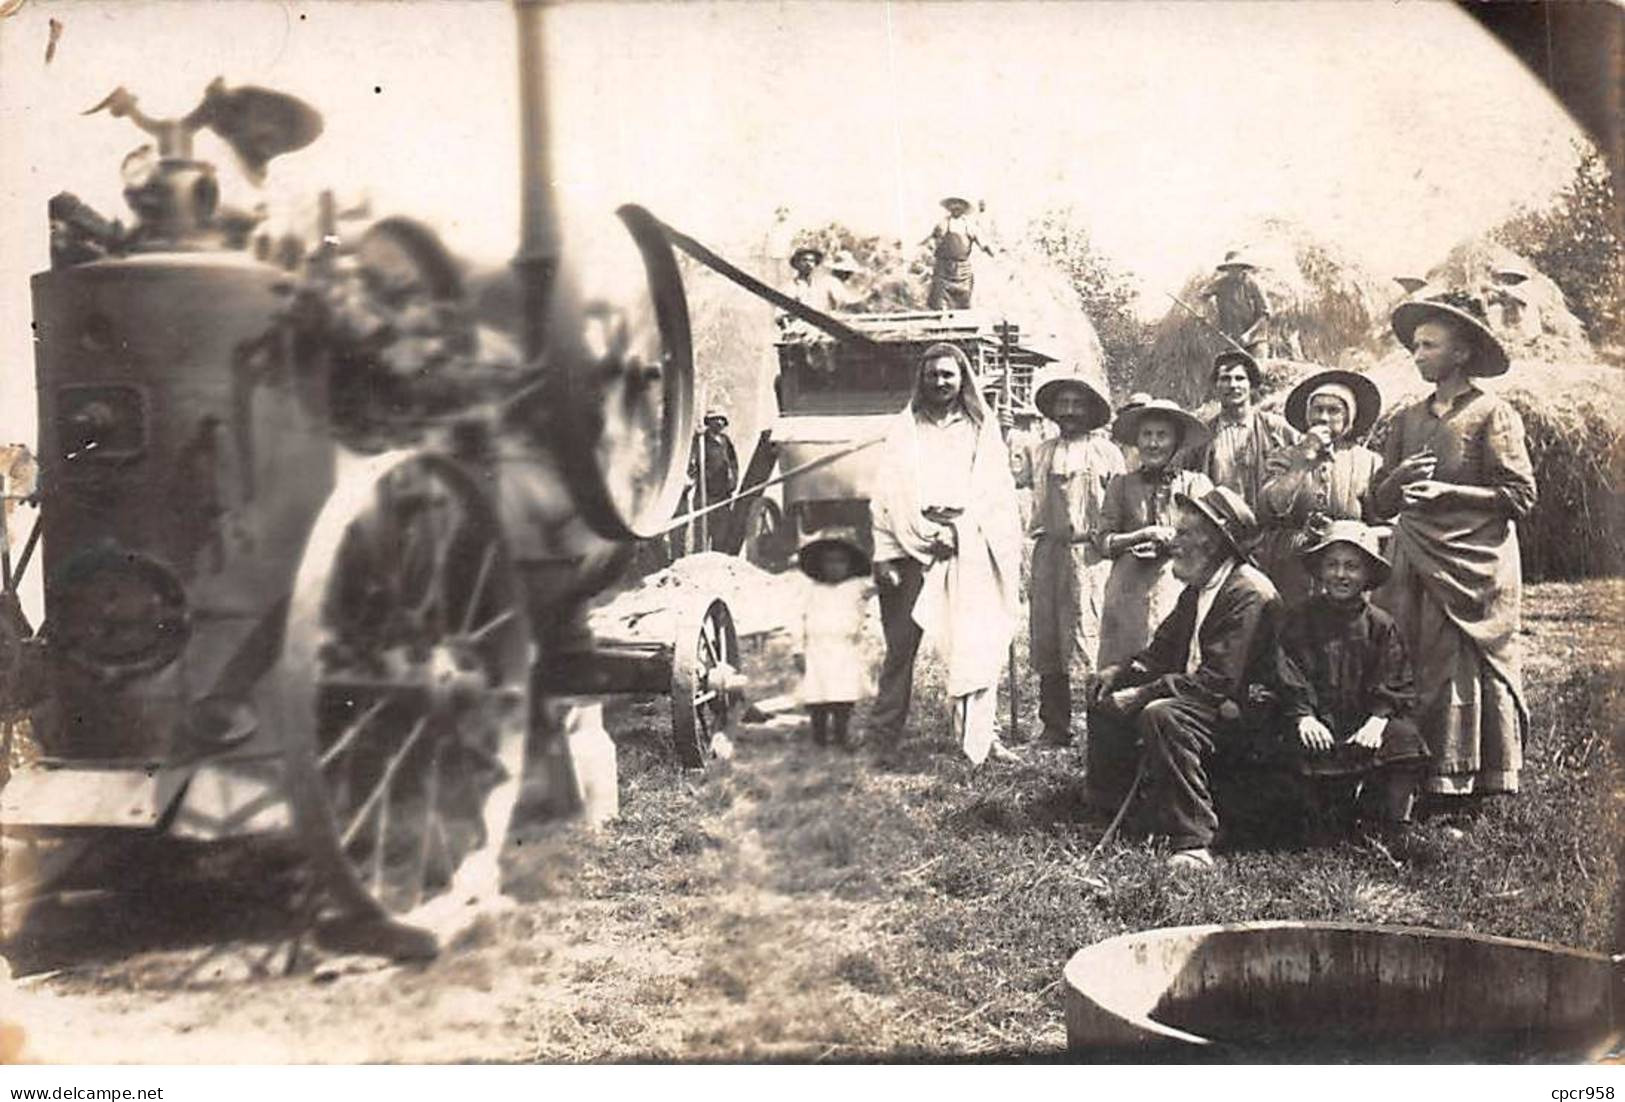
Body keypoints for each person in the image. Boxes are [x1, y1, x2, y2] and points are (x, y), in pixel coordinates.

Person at [1370, 291, 1536, 803]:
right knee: (1411, 659)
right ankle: (1408, 774)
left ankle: (1467, 780)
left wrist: (1448, 492)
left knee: (1457, 665)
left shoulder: (1492, 413)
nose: (1417, 355)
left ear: (1461, 354)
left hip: (1473, 562)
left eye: (1428, 346)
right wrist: (1397, 477)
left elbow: (1520, 495)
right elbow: (1378, 504)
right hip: (1414, 558)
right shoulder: (1405, 419)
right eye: (1415, 347)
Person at [1084, 486, 1303, 869]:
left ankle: (1194, 839)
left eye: (1184, 535)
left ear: (1215, 542)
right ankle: (1115, 808)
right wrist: (1121, 672)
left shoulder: (1249, 593)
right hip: (1209, 700)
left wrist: (1141, 695)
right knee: (1106, 690)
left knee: (1163, 714)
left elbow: (1218, 681)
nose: (1174, 543)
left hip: (1251, 715)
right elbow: (1161, 651)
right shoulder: (1199, 589)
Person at [869, 342, 1023, 765]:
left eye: (948, 375)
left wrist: (958, 533)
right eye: (932, 374)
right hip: (909, 542)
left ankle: (980, 737)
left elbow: (995, 493)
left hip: (965, 543)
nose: (940, 382)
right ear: (921, 379)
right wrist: (884, 554)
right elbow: (885, 495)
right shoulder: (905, 430)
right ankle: (883, 739)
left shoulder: (979, 428)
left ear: (962, 380)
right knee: (901, 646)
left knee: (974, 641)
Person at [1281, 520, 1430, 827]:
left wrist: (1377, 719)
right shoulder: (1299, 618)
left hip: (1362, 725)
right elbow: (1288, 671)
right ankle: (1315, 816)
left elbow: (1395, 679)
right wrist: (1303, 716)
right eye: (1332, 565)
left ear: (1367, 575)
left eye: (1352, 566)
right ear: (1320, 571)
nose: (1340, 575)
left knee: (1405, 740)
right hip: (1316, 725)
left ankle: (1388, 820)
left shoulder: (1380, 624)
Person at [1025, 365, 1123, 747]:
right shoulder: (1041, 452)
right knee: (1048, 634)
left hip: (1092, 554)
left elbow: (1119, 502)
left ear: (1089, 410)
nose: (1068, 411)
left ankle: (1097, 723)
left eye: (1076, 404)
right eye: (1062, 403)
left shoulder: (1107, 453)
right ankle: (1054, 725)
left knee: (1089, 635)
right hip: (1050, 552)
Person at [1096, 399, 1212, 671]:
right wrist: (1140, 535)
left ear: (1176, 441)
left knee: (1170, 663)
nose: (1153, 443)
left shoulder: (1196, 484)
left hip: (1177, 589)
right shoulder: (1121, 485)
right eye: (1146, 435)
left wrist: (1179, 540)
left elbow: (1211, 541)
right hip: (1127, 594)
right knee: (1122, 669)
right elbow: (1103, 542)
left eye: (1162, 435)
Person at [1257, 368, 1383, 604]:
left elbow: (1384, 523)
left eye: (1334, 410)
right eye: (1318, 409)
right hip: (1291, 567)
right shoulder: (1283, 457)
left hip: (1345, 571)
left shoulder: (1369, 462)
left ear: (1349, 418)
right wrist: (1303, 460)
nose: (1323, 417)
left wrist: (1348, 535)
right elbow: (1268, 508)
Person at [1187, 349, 1301, 512]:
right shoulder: (1203, 435)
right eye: (1225, 379)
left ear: (1251, 385)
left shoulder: (1276, 428)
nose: (1233, 385)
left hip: (1266, 524)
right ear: (1215, 386)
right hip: (1217, 523)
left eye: (1240, 378)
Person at [795, 528, 875, 751]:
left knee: (843, 695)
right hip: (817, 649)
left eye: (841, 561)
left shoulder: (856, 587)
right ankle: (819, 737)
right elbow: (797, 618)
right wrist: (797, 649)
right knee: (817, 695)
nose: (834, 567)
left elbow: (879, 584)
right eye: (829, 561)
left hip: (844, 649)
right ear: (820, 565)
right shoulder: (811, 590)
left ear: (850, 565)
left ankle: (841, 736)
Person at [924, 196, 993, 310]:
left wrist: (991, 252)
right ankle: (942, 324)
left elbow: (983, 243)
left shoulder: (970, 226)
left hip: (963, 270)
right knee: (939, 301)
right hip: (944, 269)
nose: (956, 207)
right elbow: (931, 240)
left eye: (959, 204)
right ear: (949, 207)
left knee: (963, 300)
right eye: (953, 204)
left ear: (963, 208)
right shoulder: (942, 224)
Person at [1200, 250, 1272, 358]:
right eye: (1230, 268)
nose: (1233, 271)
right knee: (1226, 370)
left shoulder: (1254, 285)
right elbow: (1202, 296)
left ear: (1242, 268)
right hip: (1231, 341)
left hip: (1255, 341)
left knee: (1257, 370)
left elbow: (1265, 315)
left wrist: (1249, 335)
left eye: (1236, 267)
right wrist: (1204, 313)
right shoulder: (1221, 284)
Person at [687, 409, 739, 551]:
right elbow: (691, 463)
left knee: (721, 536)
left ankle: (718, 566)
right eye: (715, 419)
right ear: (709, 422)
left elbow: (734, 463)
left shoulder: (725, 441)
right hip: (705, 495)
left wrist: (733, 482)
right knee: (702, 536)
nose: (719, 422)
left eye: (721, 419)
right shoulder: (701, 441)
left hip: (723, 496)